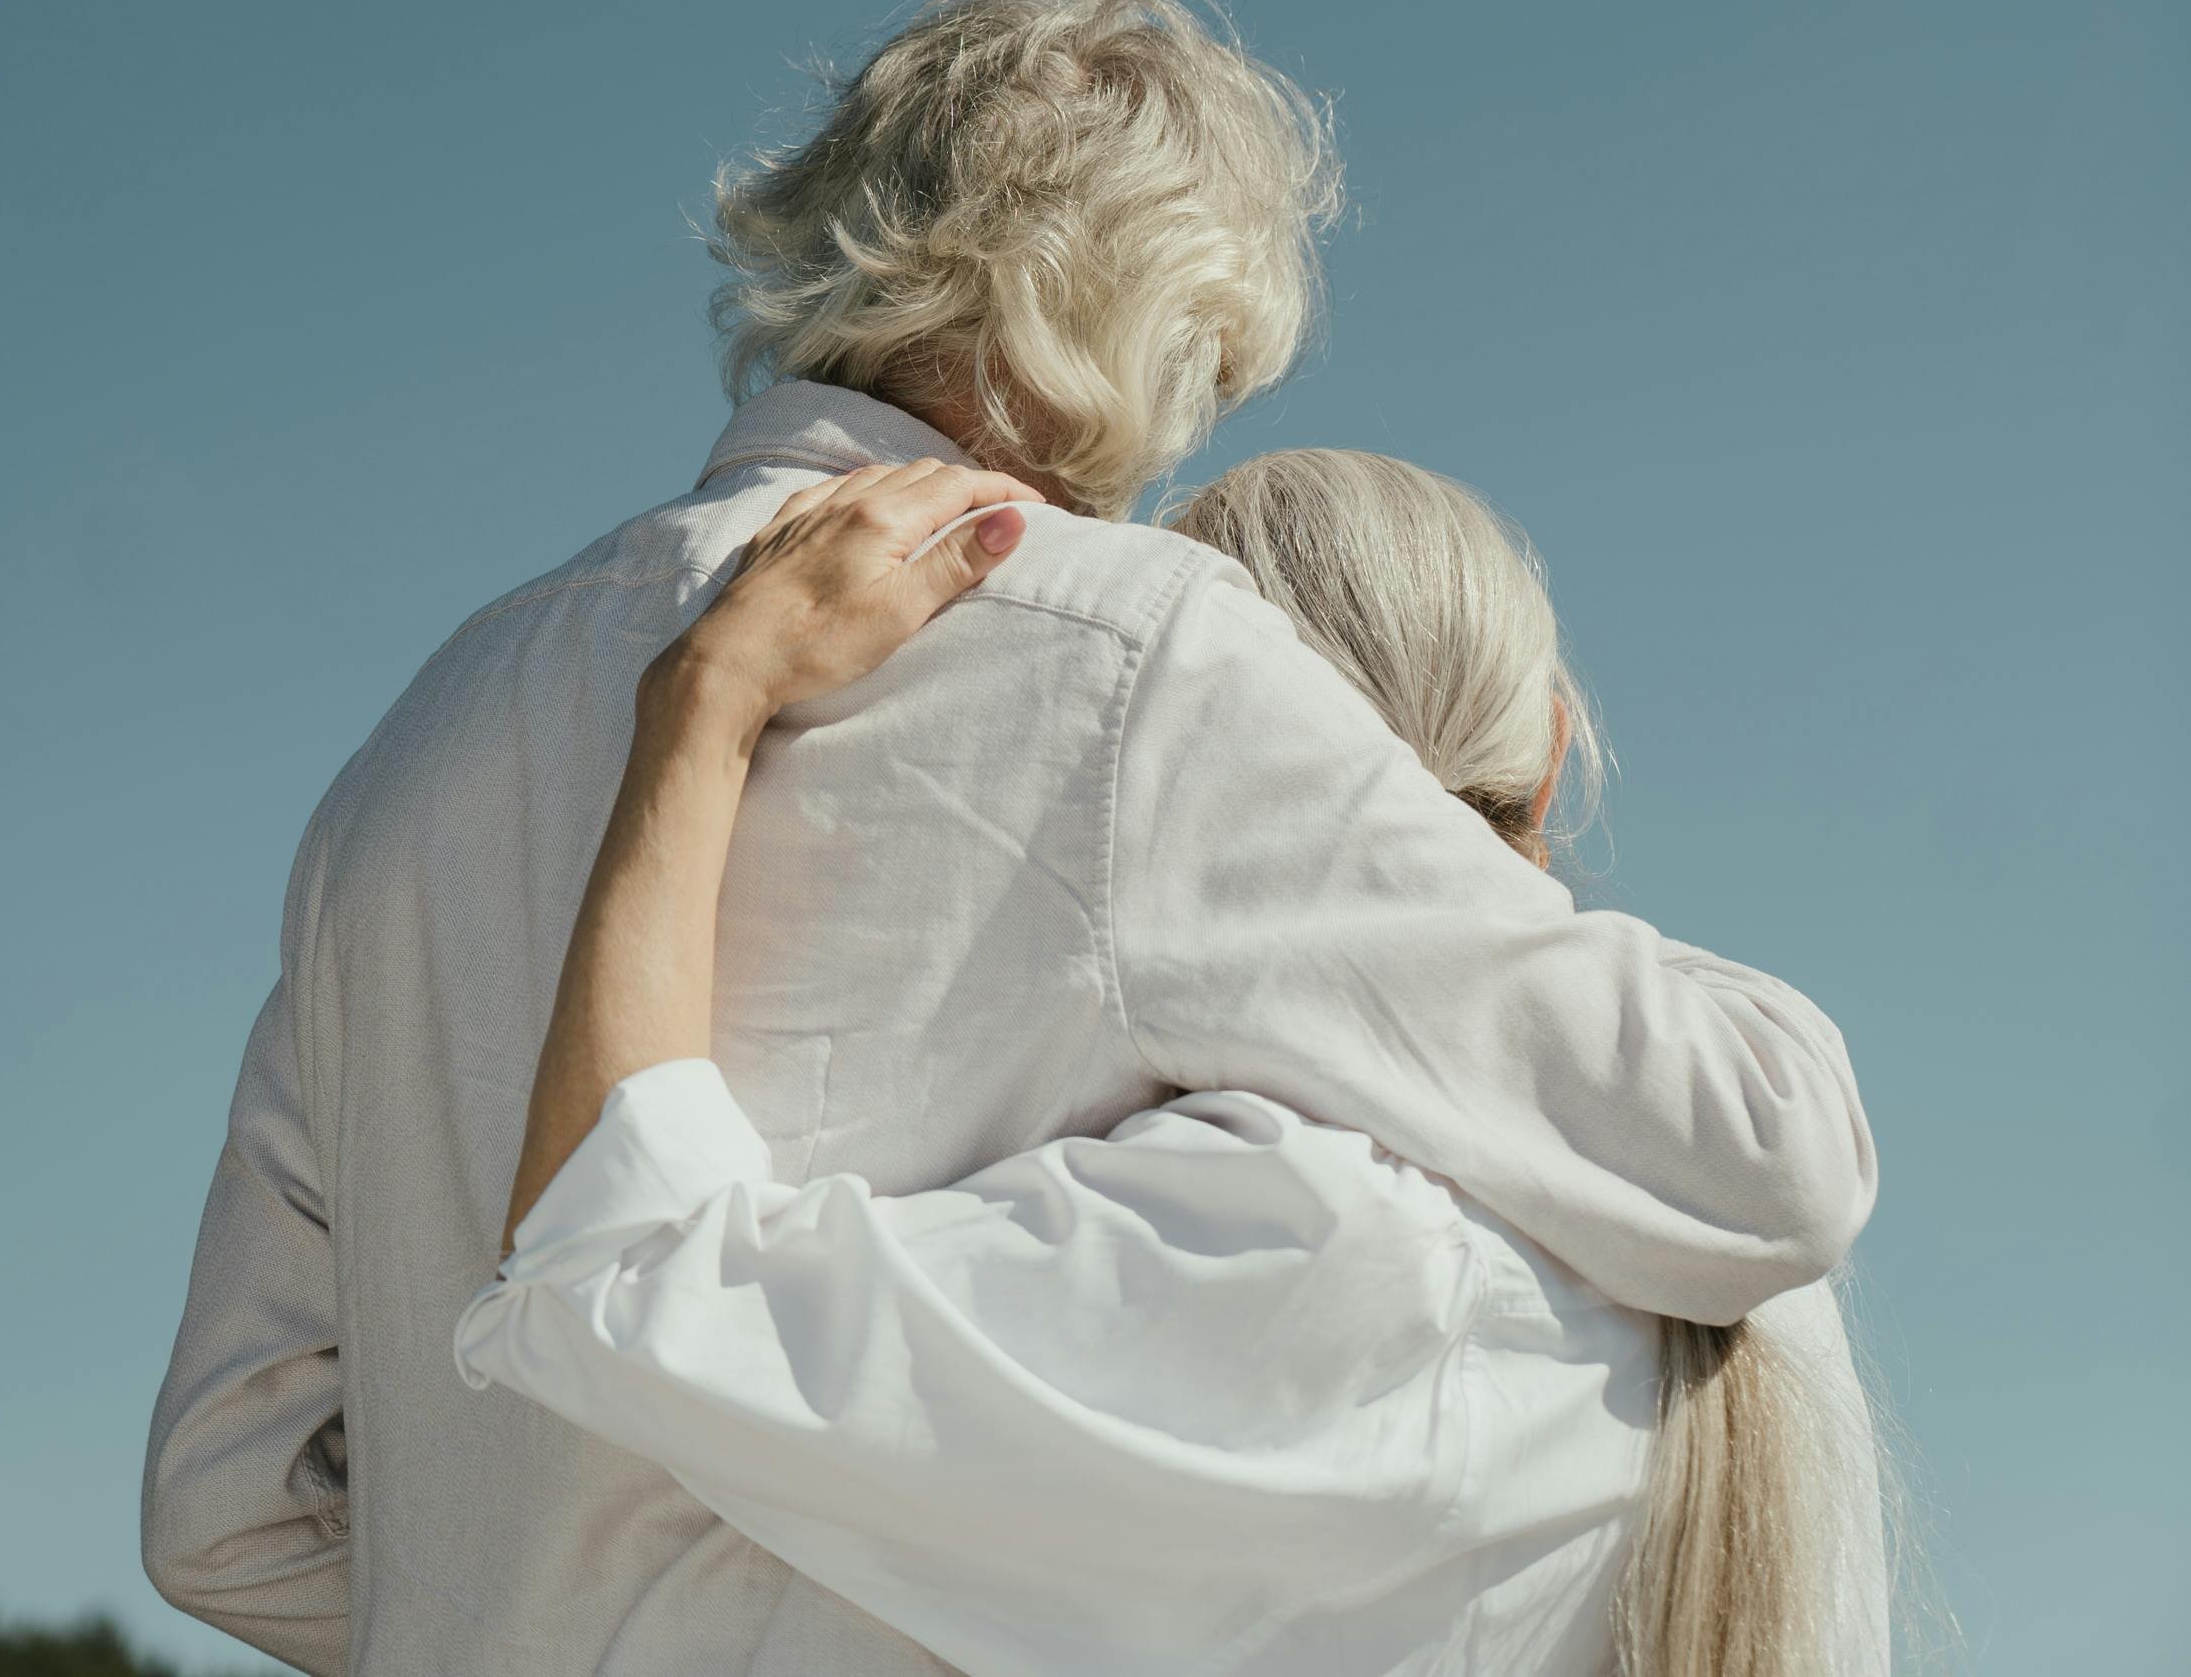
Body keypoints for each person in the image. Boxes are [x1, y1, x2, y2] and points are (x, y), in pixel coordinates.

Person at [145, 0, 1874, 1677]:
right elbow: (1757, 1153)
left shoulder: (415, 747)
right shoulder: (1140, 655)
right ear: (1180, 343)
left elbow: (228, 1506)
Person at [457, 450, 1890, 1676]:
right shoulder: (1768, 1273)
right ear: (1559, 756)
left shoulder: (1305, 1234)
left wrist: (706, 703)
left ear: (1227, 746)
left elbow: (618, 1276)